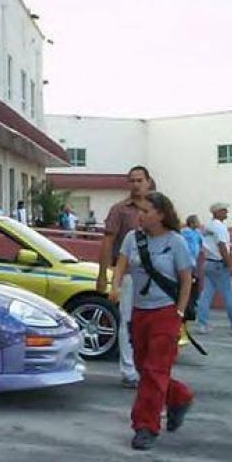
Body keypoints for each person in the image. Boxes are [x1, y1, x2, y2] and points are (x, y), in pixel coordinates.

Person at [109, 192, 194, 450]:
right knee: (144, 367)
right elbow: (121, 267)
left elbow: (186, 279)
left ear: (161, 215)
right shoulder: (132, 239)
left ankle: (145, 426)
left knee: (155, 371)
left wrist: (179, 313)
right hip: (140, 312)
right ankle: (179, 396)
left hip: (165, 313)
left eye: (146, 211)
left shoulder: (176, 242)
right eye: (140, 211)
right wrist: (115, 285)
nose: (140, 216)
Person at [97, 165, 152, 388]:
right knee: (128, 323)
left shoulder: (158, 208)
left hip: (155, 280)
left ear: (148, 181)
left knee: (151, 324)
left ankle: (147, 368)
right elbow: (108, 242)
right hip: (128, 275)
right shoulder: (119, 210)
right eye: (132, 181)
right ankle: (129, 371)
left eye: (140, 180)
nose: (136, 184)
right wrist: (104, 276)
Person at [196, 202, 232, 335]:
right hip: (219, 264)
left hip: (208, 263)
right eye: (224, 210)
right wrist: (230, 265)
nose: (226, 213)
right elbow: (222, 246)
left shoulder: (207, 226)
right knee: (229, 295)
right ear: (217, 212)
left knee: (206, 295)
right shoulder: (220, 228)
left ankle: (202, 324)